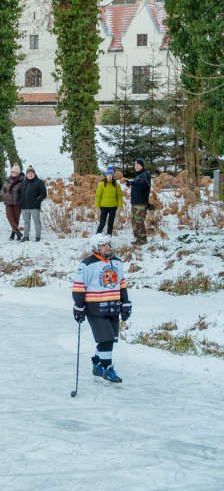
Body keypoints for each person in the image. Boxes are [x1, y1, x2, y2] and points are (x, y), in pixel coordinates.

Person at [73, 235, 130, 386]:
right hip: (95, 308)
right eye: (103, 245)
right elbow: (79, 286)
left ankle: (97, 366)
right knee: (106, 340)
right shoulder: (87, 264)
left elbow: (121, 283)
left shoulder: (117, 262)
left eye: (108, 244)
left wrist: (125, 303)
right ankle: (107, 370)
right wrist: (78, 307)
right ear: (95, 248)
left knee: (110, 339)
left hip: (113, 307)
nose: (108, 247)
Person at [16, 166, 47, 242]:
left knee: (37, 222)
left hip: (34, 206)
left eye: (32, 173)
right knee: (26, 222)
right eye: (29, 173)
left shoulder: (39, 182)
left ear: (34, 174)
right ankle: (26, 236)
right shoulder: (23, 183)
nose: (30, 174)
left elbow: (43, 193)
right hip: (24, 206)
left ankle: (38, 237)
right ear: (26, 174)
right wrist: (19, 201)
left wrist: (37, 201)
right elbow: (18, 193)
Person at [126, 159, 152, 245]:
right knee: (134, 221)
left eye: (138, 165)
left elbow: (142, 185)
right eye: (135, 166)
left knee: (139, 222)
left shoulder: (145, 174)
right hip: (135, 203)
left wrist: (132, 183)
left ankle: (142, 240)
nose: (136, 167)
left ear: (142, 166)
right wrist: (131, 184)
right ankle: (138, 239)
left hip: (141, 203)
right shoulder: (138, 176)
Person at [95, 168, 123, 235]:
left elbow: (119, 197)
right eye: (108, 175)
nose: (109, 176)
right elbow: (98, 196)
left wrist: (119, 207)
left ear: (112, 175)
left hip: (113, 207)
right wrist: (97, 207)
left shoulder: (117, 185)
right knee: (102, 223)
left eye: (111, 174)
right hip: (103, 207)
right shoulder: (101, 185)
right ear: (106, 176)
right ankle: (97, 236)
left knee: (110, 223)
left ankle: (109, 237)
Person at [2, 164, 23, 241]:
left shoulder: (22, 181)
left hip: (17, 202)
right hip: (8, 201)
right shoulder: (8, 180)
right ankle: (17, 232)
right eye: (11, 172)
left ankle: (13, 233)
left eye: (14, 172)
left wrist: (20, 199)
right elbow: (3, 188)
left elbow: (23, 191)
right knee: (9, 217)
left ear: (18, 173)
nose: (12, 173)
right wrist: (4, 196)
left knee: (16, 218)